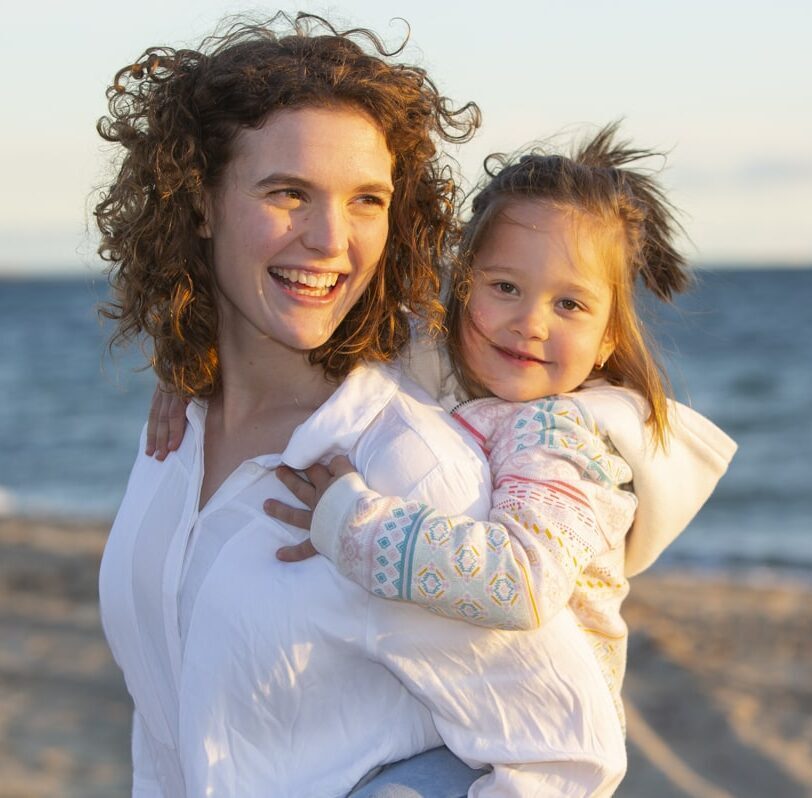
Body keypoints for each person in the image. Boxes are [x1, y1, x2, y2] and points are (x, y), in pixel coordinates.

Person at [97, 13, 629, 798]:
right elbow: (169, 726)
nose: (329, 239)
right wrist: (185, 366)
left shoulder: (403, 469)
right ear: (200, 201)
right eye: (288, 193)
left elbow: (570, 753)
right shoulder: (176, 429)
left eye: (366, 201)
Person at [259, 126, 738, 728]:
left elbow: (524, 582)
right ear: (462, 288)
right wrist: (190, 374)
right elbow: (328, 338)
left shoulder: (559, 435)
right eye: (505, 287)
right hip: (474, 712)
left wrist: (349, 524)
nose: (530, 323)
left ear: (608, 337)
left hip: (535, 739)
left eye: (570, 305)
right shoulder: (456, 373)